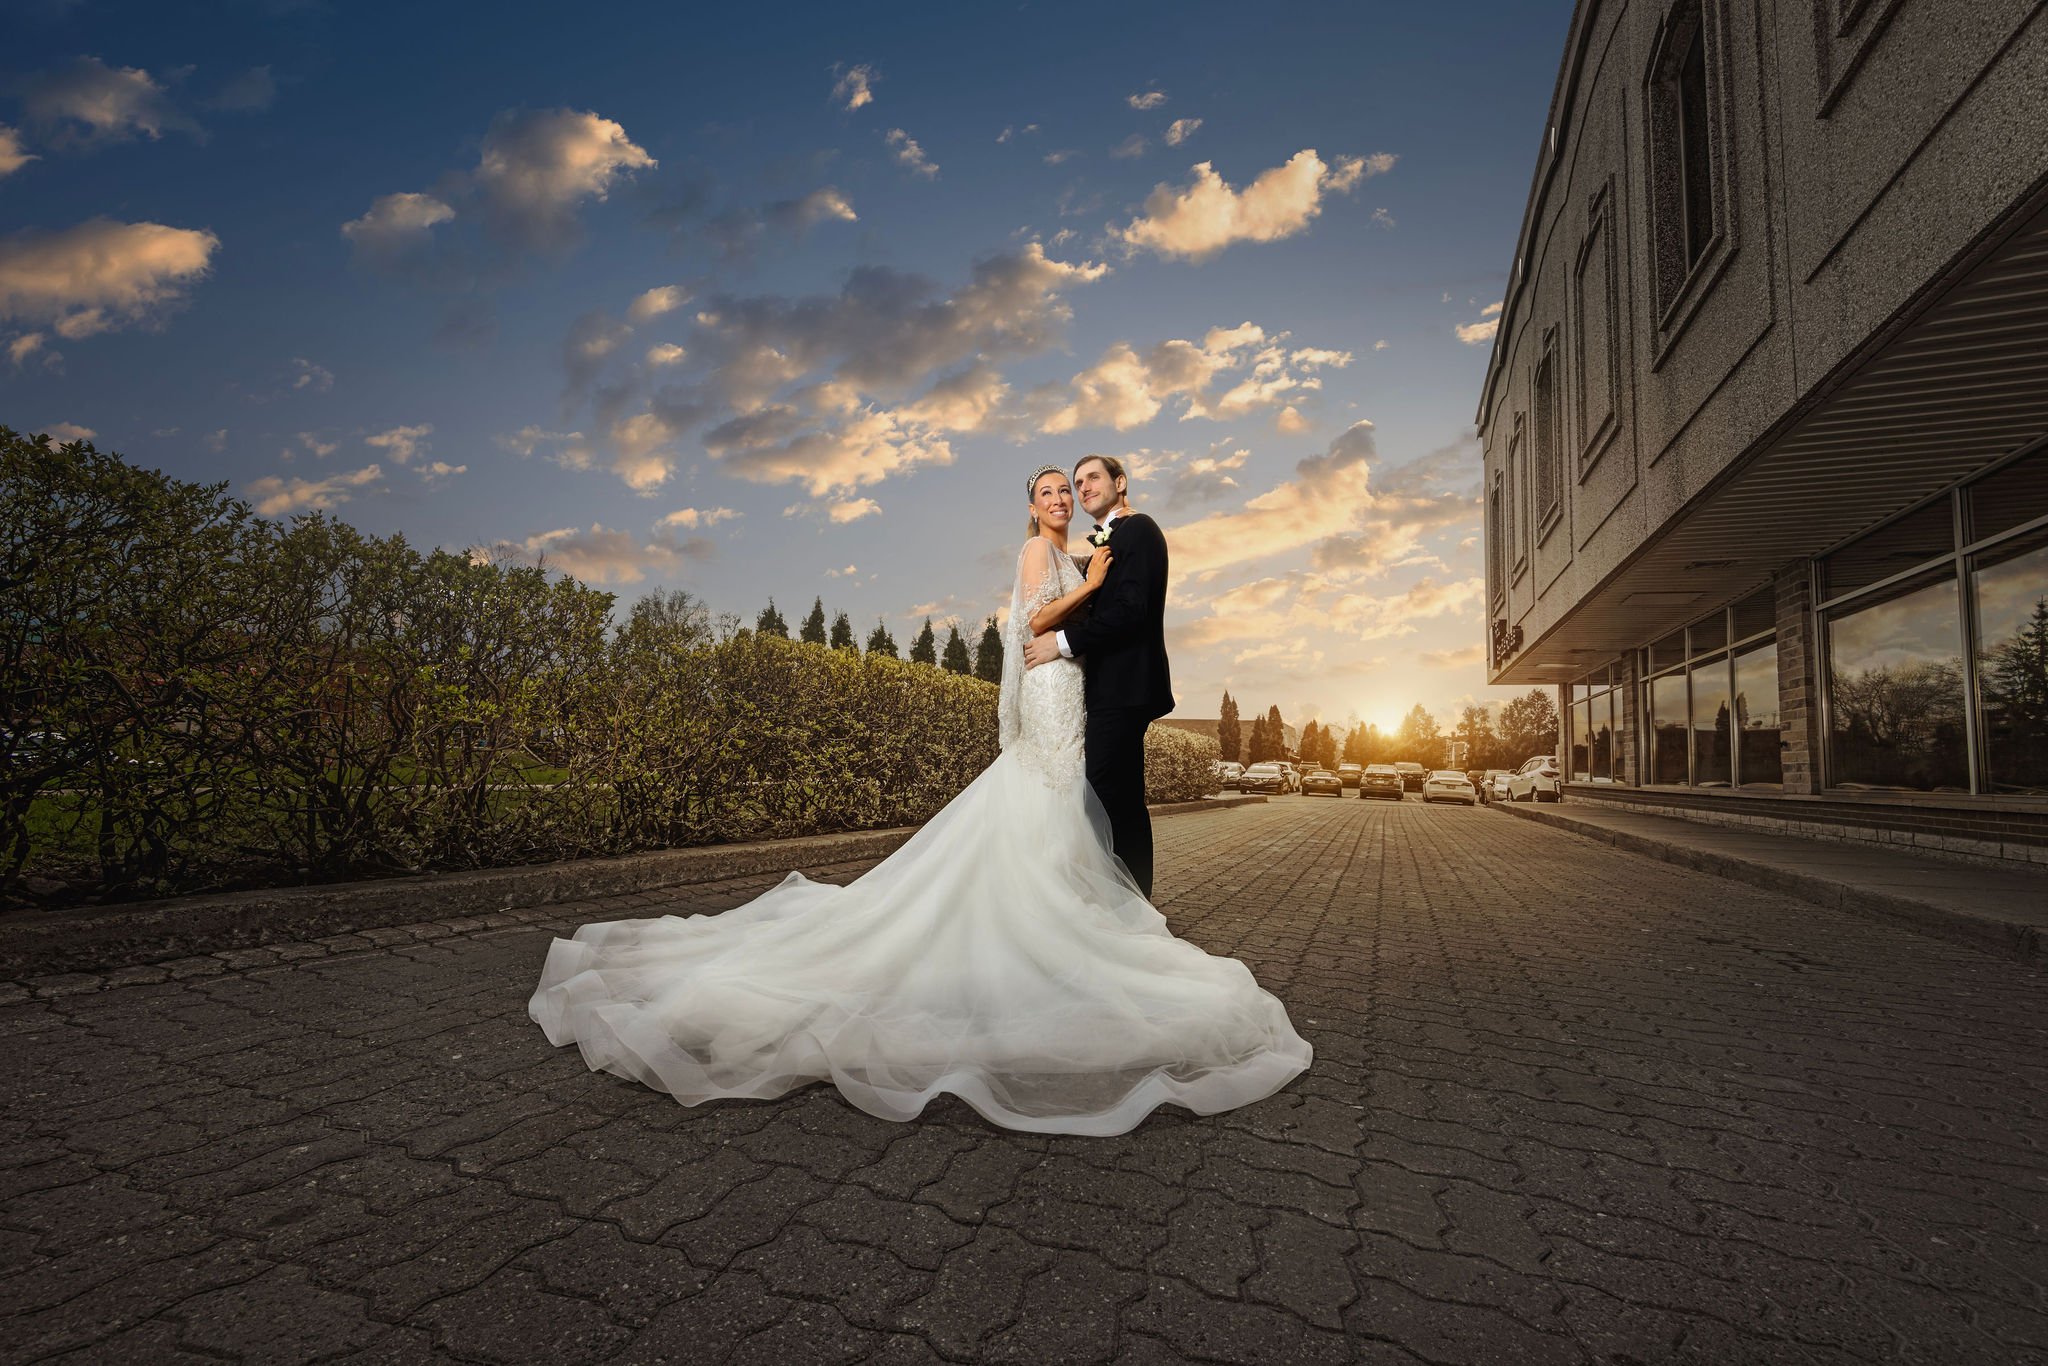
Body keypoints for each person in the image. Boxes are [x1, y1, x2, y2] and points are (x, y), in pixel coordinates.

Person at [527, 463, 1311, 1136]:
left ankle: (1077, 919)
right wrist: (1089, 591)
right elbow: (1032, 620)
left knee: (1068, 811)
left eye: (1071, 488)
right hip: (1051, 691)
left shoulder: (1089, 548)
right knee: (1049, 801)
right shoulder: (1042, 550)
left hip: (1070, 689)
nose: (1062, 498)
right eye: (1050, 490)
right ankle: (1050, 934)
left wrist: (1091, 589)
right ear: (1033, 506)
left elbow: (1084, 616)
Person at [1021, 454, 1171, 898]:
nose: (1082, 488)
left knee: (1108, 801)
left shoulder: (1139, 529)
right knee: (1115, 800)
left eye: (1091, 479)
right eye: (1077, 481)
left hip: (1124, 687)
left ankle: (1125, 905)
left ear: (1120, 483)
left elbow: (1130, 612)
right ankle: (1125, 901)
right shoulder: (1093, 549)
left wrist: (1061, 643)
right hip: (1104, 690)